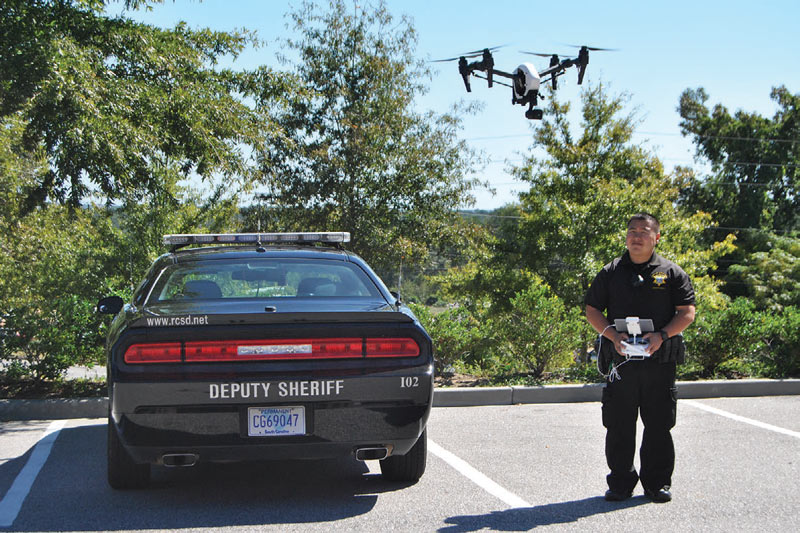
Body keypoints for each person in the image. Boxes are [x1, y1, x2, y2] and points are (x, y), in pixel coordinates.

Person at [584, 213, 695, 503]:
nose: (636, 236)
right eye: (631, 231)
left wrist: (662, 335)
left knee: (659, 423)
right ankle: (620, 483)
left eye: (643, 231)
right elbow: (592, 310)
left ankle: (656, 483)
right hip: (620, 362)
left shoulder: (671, 272)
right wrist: (611, 335)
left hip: (659, 361)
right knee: (619, 424)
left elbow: (687, 312)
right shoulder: (611, 272)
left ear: (656, 237)